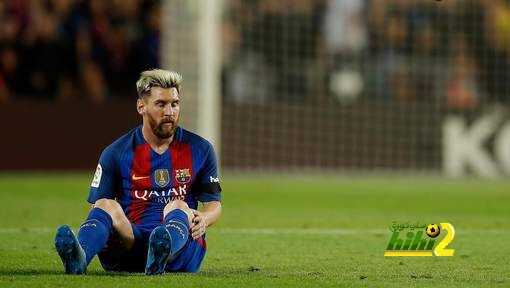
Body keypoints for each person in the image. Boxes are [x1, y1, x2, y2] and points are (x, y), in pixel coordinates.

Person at [54, 69, 222, 275]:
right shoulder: (116, 152)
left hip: (181, 250)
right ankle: (79, 257)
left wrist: (204, 219)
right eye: (161, 104)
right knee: (105, 204)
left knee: (178, 205)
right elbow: (97, 210)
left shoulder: (201, 149)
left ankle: (162, 252)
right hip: (130, 244)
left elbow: (214, 205)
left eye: (174, 104)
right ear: (141, 106)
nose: (169, 111)